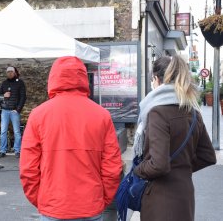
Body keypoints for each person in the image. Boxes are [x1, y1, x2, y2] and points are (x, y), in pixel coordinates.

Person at [19, 57, 122, 220]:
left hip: (53, 205)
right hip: (90, 204)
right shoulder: (102, 115)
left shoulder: (38, 115)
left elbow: (28, 168)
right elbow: (112, 167)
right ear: (83, 78)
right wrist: (102, 199)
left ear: (53, 78)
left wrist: (40, 199)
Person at [132, 55, 217, 221]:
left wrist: (138, 169)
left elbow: (159, 165)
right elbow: (208, 156)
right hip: (184, 195)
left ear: (156, 79)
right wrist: (181, 168)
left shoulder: (157, 112)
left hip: (160, 200)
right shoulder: (193, 112)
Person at [0, 66, 26, 158]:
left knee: (17, 132)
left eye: (11, 72)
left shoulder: (20, 83)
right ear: (6, 73)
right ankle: (2, 150)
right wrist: (3, 95)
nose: (9, 73)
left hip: (14, 111)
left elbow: (23, 97)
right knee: (3, 131)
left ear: (14, 73)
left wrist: (18, 109)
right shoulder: (4, 83)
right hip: (5, 110)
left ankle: (17, 150)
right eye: (8, 72)